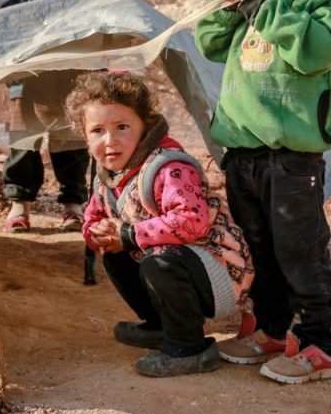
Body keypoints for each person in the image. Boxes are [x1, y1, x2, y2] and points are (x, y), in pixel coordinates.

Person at [194, 0, 331, 384]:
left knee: (299, 251)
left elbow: (313, 53)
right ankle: (270, 330)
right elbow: (209, 43)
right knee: (258, 249)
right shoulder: (254, 0)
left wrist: (262, 6)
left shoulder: (326, 2)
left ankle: (318, 345)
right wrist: (227, 5)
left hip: (291, 159)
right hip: (243, 155)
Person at [66, 70, 254, 377]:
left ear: (145, 125)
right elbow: (94, 216)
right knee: (115, 253)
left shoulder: (167, 167)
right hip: (180, 263)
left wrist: (129, 234)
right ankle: (161, 326)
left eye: (122, 127)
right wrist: (97, 233)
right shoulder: (108, 176)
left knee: (159, 261)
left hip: (219, 274)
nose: (110, 141)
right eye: (97, 130)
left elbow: (191, 221)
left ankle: (190, 347)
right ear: (84, 136)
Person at [0, 0, 115, 233]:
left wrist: (103, 67)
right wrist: (11, 65)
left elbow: (111, 16)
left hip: (79, 72)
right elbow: (3, 20)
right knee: (24, 138)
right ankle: (19, 203)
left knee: (73, 139)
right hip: (30, 72)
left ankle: (73, 204)